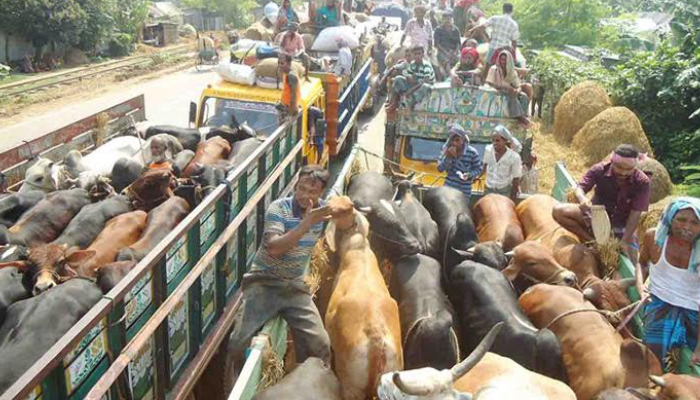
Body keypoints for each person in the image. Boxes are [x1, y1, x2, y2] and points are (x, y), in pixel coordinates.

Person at [228, 165, 333, 370]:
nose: (305, 195)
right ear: (295, 184)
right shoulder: (279, 209)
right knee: (237, 345)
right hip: (264, 283)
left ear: (321, 193)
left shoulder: (322, 213)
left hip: (293, 287)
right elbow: (275, 248)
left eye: (312, 192)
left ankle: (310, 380)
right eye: (301, 188)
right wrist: (306, 223)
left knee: (321, 344)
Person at [553, 144, 651, 264]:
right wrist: (582, 198)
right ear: (612, 162)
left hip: (622, 226)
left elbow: (636, 213)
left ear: (635, 167)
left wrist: (625, 240)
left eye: (628, 169)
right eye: (619, 167)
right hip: (595, 218)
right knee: (559, 211)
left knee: (632, 266)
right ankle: (592, 241)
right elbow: (580, 187)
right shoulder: (599, 170)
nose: (623, 173)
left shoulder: (642, 182)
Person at [638, 197, 700, 371]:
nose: (687, 227)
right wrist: (640, 286)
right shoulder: (655, 238)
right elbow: (642, 263)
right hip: (659, 304)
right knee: (653, 362)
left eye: (695, 223)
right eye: (681, 220)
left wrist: (698, 348)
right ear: (671, 218)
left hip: (694, 312)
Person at [486, 50, 530, 126]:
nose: (503, 62)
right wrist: (506, 87)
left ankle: (522, 117)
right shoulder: (494, 69)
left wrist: (517, 91)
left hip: (508, 91)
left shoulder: (511, 71)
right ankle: (521, 117)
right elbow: (490, 83)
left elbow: (518, 85)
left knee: (523, 96)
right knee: (509, 94)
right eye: (501, 59)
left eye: (505, 60)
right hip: (495, 91)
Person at [437, 125, 483, 199]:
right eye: (452, 140)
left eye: (457, 140)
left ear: (463, 139)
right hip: (449, 188)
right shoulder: (445, 150)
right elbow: (440, 169)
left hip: (464, 191)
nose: (454, 143)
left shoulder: (472, 152)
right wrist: (448, 157)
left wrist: (469, 175)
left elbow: (478, 169)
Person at [387, 45, 435, 110]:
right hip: (415, 84)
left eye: (419, 54)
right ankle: (394, 102)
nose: (417, 56)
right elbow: (409, 76)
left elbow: (425, 81)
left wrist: (411, 90)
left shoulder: (426, 65)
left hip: (425, 87)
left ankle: (412, 102)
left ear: (423, 55)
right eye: (415, 54)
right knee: (398, 78)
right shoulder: (412, 64)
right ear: (413, 55)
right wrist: (408, 77)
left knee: (425, 86)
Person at [482, 125, 522, 200]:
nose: (494, 143)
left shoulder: (514, 157)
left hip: (504, 192)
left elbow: (516, 178)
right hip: (488, 190)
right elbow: (483, 167)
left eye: (497, 140)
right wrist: (471, 176)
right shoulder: (488, 150)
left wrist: (512, 197)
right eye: (493, 140)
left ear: (505, 141)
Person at [433, 12, 461, 81]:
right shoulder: (438, 30)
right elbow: (437, 44)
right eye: (446, 19)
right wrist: (446, 53)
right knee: (446, 60)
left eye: (449, 19)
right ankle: (450, 76)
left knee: (460, 60)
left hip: (454, 51)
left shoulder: (456, 30)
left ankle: (460, 76)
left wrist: (455, 52)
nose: (448, 20)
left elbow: (458, 43)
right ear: (442, 19)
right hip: (443, 51)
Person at [279, 54, 301, 119]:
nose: (280, 65)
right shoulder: (285, 73)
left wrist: (290, 115)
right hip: (285, 106)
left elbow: (293, 97)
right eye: (279, 63)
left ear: (289, 63)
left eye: (282, 63)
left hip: (289, 108)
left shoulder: (291, 76)